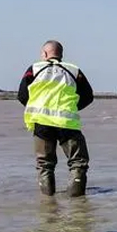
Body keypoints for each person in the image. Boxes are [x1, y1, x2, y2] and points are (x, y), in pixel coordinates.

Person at [17, 40, 94, 197]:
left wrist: (36, 107)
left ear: (45, 54)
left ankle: (47, 202)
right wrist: (72, 107)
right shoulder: (74, 70)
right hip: (67, 122)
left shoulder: (34, 69)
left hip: (42, 123)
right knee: (78, 162)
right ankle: (76, 202)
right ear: (61, 55)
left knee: (45, 165)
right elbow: (88, 96)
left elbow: (22, 95)